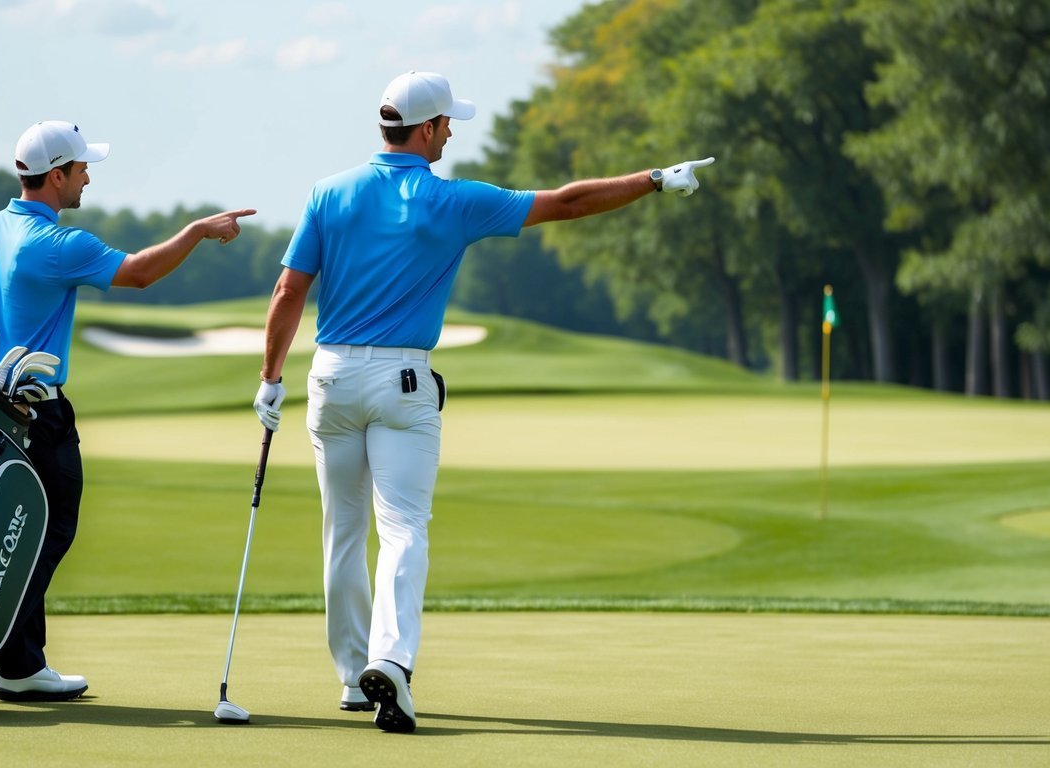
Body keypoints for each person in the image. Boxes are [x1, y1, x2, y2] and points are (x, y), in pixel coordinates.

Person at [252, 71, 713, 733]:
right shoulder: (453, 202)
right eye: (448, 125)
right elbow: (569, 203)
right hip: (402, 383)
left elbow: (287, 293)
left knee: (342, 533)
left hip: (329, 378)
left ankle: (355, 677)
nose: (450, 134)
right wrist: (651, 180)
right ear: (429, 128)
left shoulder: (328, 193)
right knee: (403, 527)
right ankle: (391, 659)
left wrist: (270, 378)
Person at [0, 120, 254, 701]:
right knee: (38, 535)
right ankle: (18, 665)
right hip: (36, 416)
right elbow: (141, 273)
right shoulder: (57, 244)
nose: (87, 178)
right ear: (55, 176)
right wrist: (198, 231)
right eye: (80, 169)